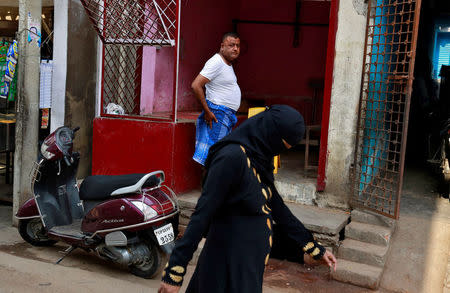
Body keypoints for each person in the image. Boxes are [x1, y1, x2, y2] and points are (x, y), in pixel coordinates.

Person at [158, 105, 337, 293]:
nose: (278, 152)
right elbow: (202, 215)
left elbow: (276, 207)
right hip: (225, 269)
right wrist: (175, 272)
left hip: (248, 268)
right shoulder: (231, 158)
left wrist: (312, 247)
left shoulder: (258, 158)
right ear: (270, 133)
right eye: (282, 146)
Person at [191, 32, 241, 166]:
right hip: (218, 113)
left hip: (225, 114)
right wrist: (207, 111)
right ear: (222, 46)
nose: (235, 48)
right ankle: (211, 186)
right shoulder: (216, 62)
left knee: (217, 152)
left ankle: (211, 185)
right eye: (231, 45)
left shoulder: (226, 64)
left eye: (237, 45)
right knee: (216, 154)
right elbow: (196, 85)